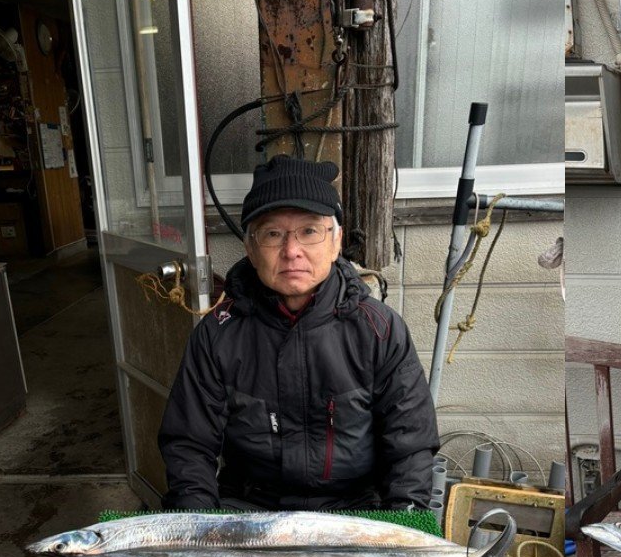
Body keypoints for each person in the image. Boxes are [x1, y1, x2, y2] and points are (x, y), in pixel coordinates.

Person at [158, 154, 439, 511]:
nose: (292, 252)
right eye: (273, 234)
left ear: (336, 241)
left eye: (309, 231)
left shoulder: (379, 330)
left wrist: (404, 524)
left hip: (353, 509)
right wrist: (197, 531)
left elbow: (410, 447)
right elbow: (189, 446)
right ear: (250, 248)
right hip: (249, 506)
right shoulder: (217, 334)